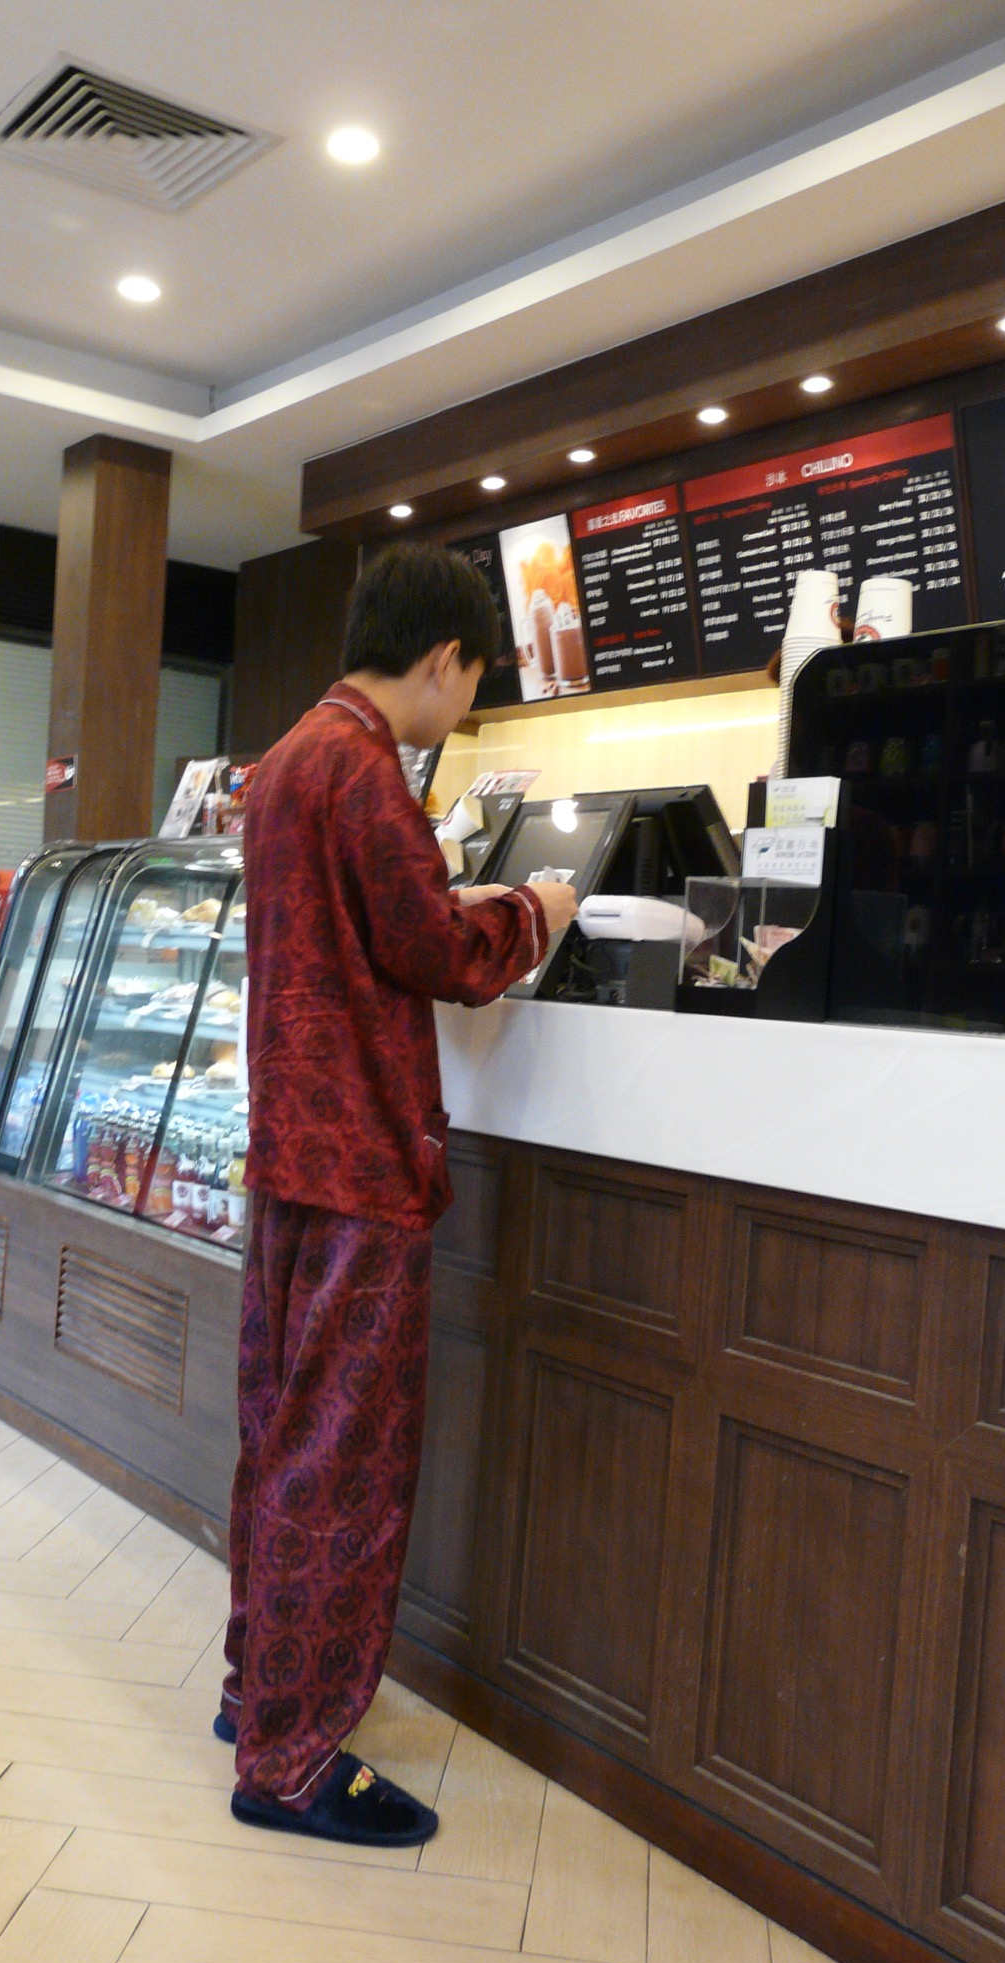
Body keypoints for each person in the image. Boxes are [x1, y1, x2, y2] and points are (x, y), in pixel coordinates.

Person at [218, 543, 578, 1848]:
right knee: (343, 1466)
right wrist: (535, 910)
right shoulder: (366, 771)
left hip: (287, 1160)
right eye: (472, 682)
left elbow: (359, 928)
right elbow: (437, 951)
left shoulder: (285, 760)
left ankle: (257, 1694)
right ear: (441, 659)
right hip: (364, 1166)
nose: (465, 709)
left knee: (280, 1437)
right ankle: (294, 1761)